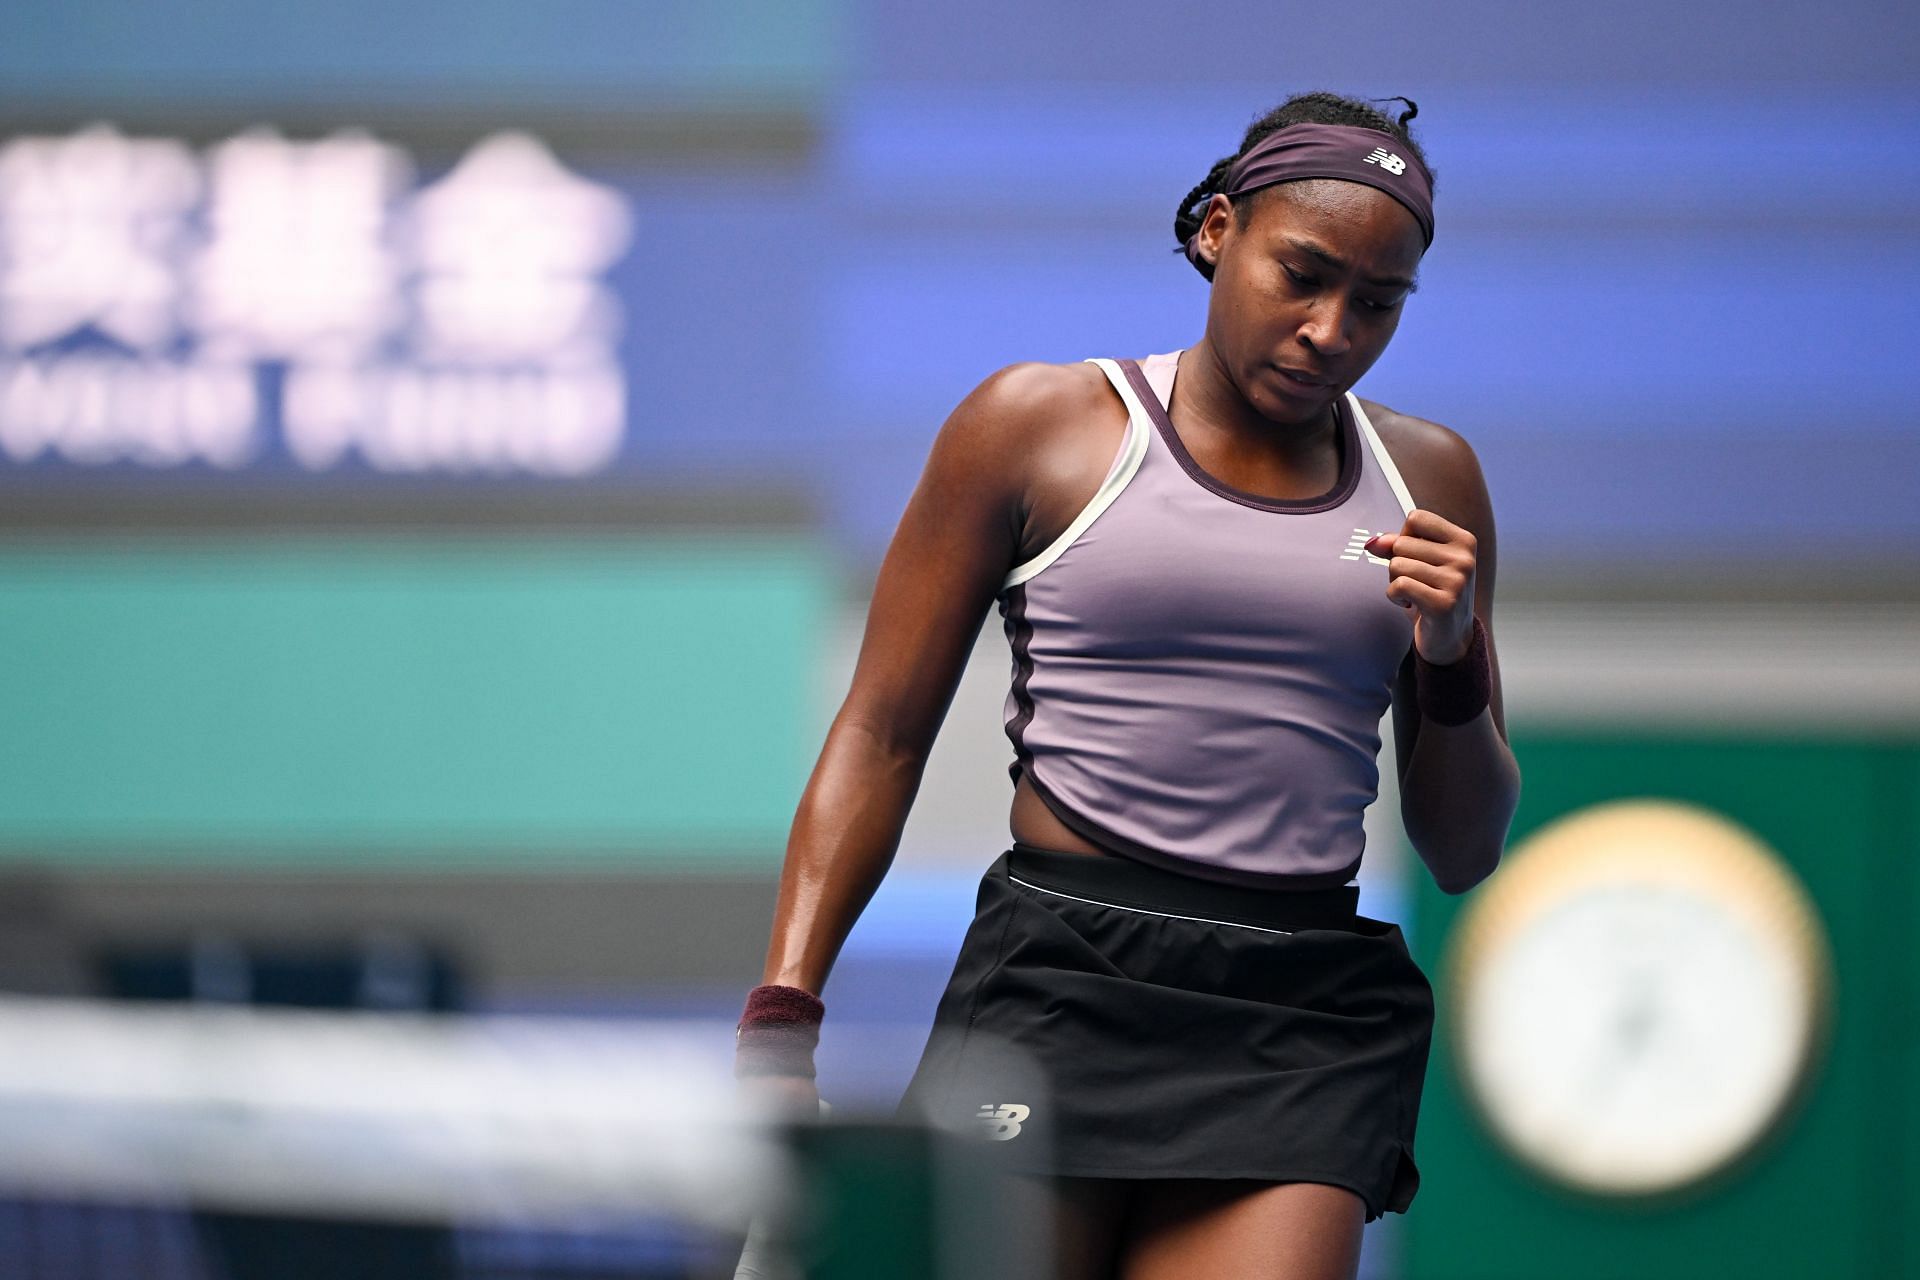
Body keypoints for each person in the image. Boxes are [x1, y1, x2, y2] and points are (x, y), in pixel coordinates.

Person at [734, 90, 1522, 1280]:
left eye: (1378, 302)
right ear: (1217, 230)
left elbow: (1462, 850)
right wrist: (785, 1013)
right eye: (1301, 275)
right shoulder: (1033, 427)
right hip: (1058, 980)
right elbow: (882, 732)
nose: (1330, 329)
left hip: (1298, 1023)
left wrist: (1455, 650)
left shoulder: (1430, 479)